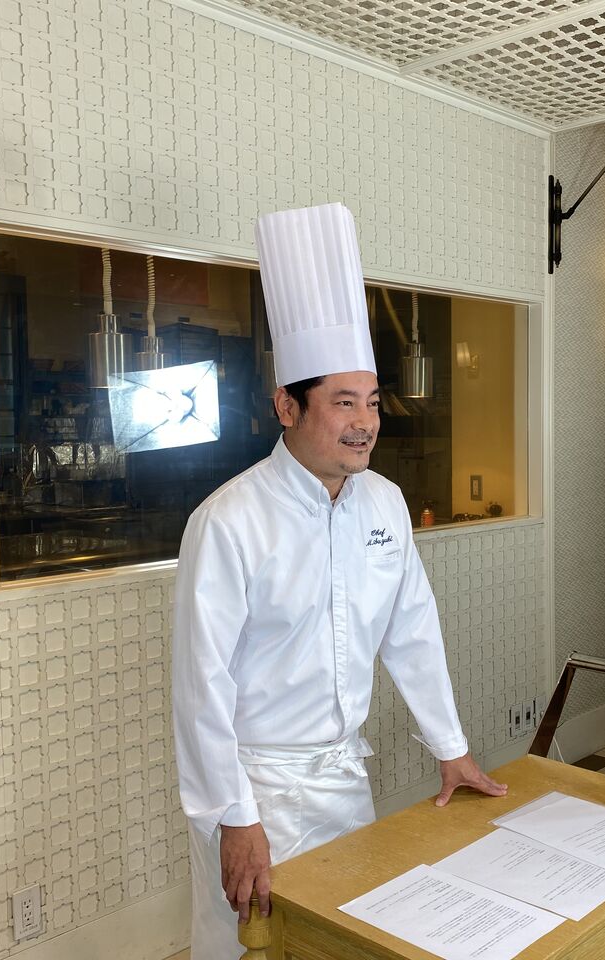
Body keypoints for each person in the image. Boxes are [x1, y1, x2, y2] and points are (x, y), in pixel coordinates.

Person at [172, 203, 506, 960]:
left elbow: (412, 631)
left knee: (345, 941)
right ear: (287, 406)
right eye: (343, 403)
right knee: (249, 949)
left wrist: (450, 746)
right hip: (255, 788)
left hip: (344, 777)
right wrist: (234, 816)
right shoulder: (228, 521)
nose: (366, 423)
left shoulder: (382, 502)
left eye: (374, 403)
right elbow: (200, 685)